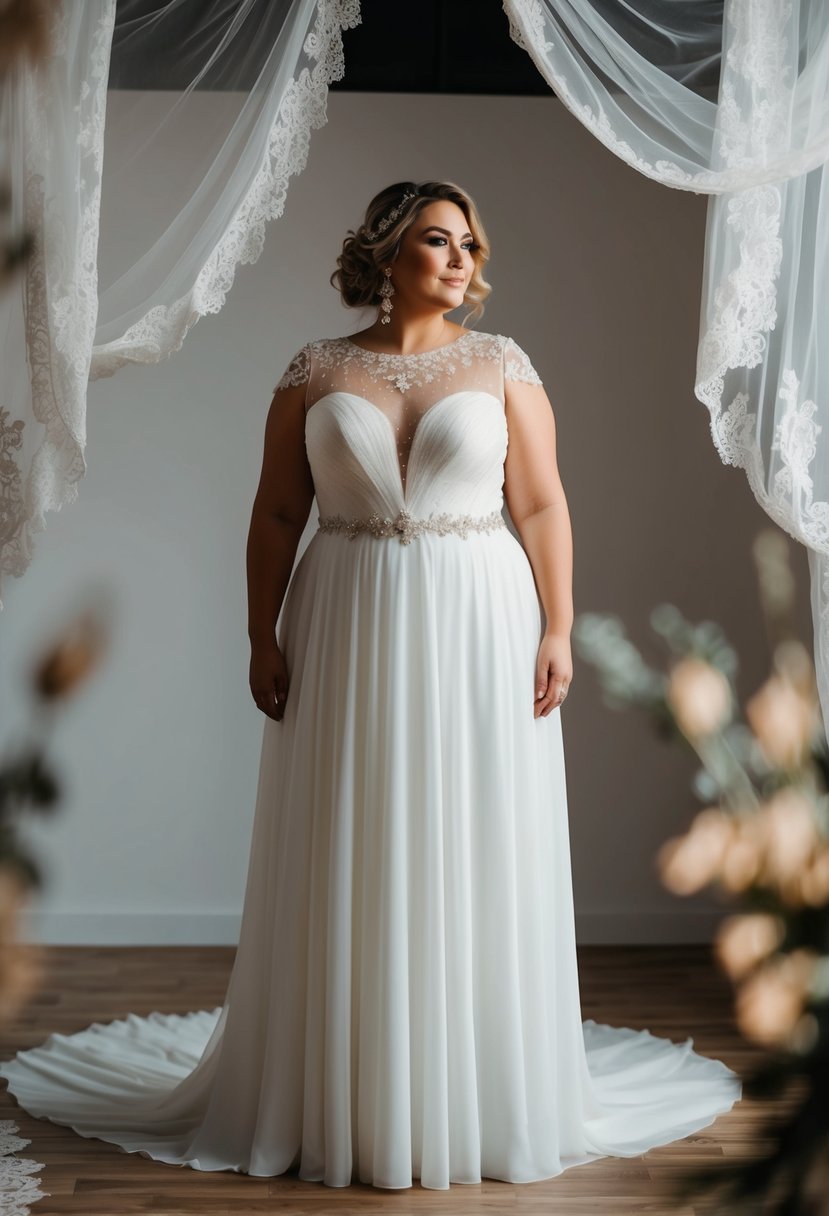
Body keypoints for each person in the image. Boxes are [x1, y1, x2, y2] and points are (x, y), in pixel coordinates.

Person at [0, 180, 741, 1193]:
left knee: (469, 830)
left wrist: (559, 625)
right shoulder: (315, 370)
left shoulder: (503, 366)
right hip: (344, 613)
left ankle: (470, 1090)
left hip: (478, 615)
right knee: (351, 829)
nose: (459, 260)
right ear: (387, 254)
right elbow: (272, 515)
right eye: (436, 241)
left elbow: (542, 503)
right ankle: (339, 1088)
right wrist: (257, 632)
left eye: (469, 244)